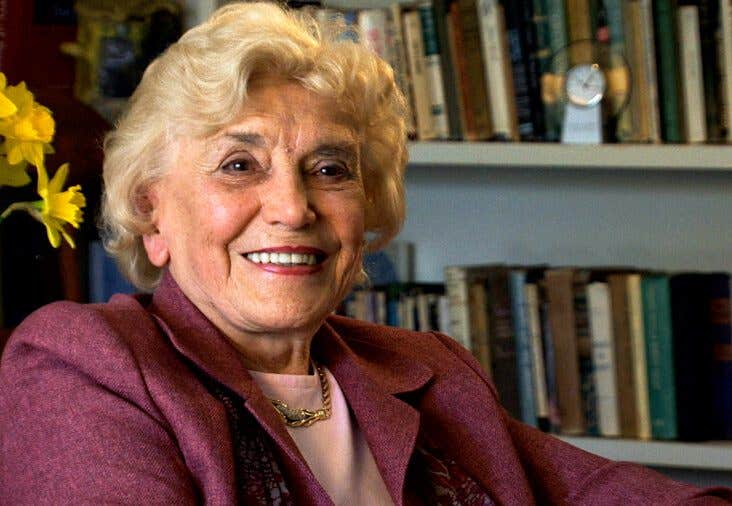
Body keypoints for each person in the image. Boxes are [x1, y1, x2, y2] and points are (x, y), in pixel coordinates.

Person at [0, 2, 730, 504]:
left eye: (329, 169)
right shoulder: (85, 364)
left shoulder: (428, 371)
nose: (293, 207)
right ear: (151, 211)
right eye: (238, 165)